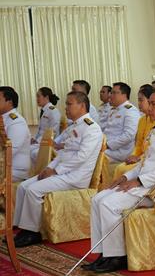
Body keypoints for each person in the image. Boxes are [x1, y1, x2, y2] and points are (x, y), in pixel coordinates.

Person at [85, 89, 155, 273]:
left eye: (154, 104)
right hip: (142, 183)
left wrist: (139, 181)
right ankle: (103, 252)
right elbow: (144, 162)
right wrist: (125, 177)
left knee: (109, 204)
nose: (149, 108)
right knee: (98, 199)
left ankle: (117, 256)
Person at [13, 92, 102, 247]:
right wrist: (48, 168)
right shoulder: (74, 126)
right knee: (23, 186)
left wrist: (55, 171)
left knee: (33, 190)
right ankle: (21, 227)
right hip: (62, 171)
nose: (66, 108)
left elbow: (81, 157)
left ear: (82, 106)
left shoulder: (92, 128)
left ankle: (33, 233)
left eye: (69, 104)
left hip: (75, 177)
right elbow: (63, 154)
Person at [112, 85, 155, 179]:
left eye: (141, 100)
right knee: (120, 168)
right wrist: (133, 155)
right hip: (140, 156)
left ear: (150, 101)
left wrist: (139, 158)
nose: (139, 103)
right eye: (138, 100)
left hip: (151, 159)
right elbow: (139, 145)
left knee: (123, 170)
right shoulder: (142, 120)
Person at [103, 82, 140, 163]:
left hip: (119, 151)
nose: (110, 95)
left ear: (124, 95)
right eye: (111, 93)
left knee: (92, 156)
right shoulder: (113, 109)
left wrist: (108, 145)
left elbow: (129, 135)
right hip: (108, 147)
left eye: (114, 93)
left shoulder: (130, 111)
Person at [0, 87, 30, 181]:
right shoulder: (3, 118)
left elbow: (9, 151)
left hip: (14, 169)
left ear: (9, 102)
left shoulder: (16, 122)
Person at [30, 87, 61, 162]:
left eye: (38, 96)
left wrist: (38, 141)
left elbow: (53, 131)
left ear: (46, 97)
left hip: (48, 142)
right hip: (41, 141)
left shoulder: (53, 111)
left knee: (28, 152)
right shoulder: (44, 110)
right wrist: (35, 139)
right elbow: (40, 129)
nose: (37, 99)